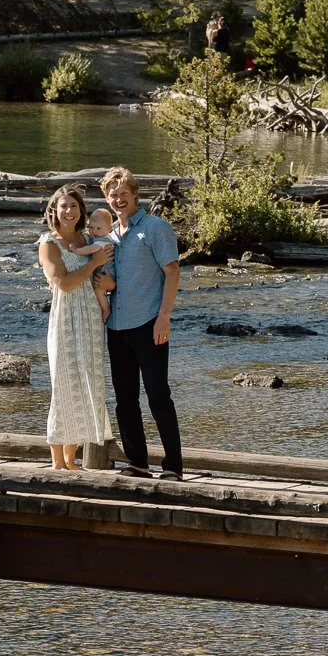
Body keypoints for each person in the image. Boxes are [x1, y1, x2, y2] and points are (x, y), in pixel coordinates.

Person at [100, 165, 183, 477]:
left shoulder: (155, 228)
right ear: (107, 199)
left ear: (135, 195)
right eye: (113, 195)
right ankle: (137, 463)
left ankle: (173, 466)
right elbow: (111, 284)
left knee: (158, 395)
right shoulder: (109, 237)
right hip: (117, 327)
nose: (118, 199)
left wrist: (164, 318)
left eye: (124, 194)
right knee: (125, 399)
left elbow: (172, 272)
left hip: (149, 323)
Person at [37, 186, 114, 469]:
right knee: (64, 383)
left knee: (87, 383)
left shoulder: (89, 238)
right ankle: (57, 461)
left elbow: (108, 272)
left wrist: (108, 282)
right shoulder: (49, 244)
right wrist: (93, 262)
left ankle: (71, 459)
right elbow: (64, 283)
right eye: (64, 206)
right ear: (54, 211)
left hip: (91, 317)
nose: (69, 211)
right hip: (66, 318)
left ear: (81, 210)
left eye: (74, 206)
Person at [84, 200, 117, 320]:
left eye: (98, 228)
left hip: (107, 272)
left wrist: (76, 250)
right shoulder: (102, 236)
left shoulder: (102, 241)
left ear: (109, 229)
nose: (94, 231)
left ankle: (106, 309)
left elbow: (90, 249)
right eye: (91, 227)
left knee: (99, 291)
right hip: (106, 270)